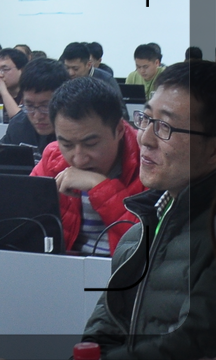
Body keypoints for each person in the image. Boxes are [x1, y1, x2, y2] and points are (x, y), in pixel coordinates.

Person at [82, 60, 216, 359]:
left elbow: (192, 343)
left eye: (165, 127)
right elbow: (106, 325)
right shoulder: (140, 230)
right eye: (146, 119)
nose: (145, 138)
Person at [31, 78, 146, 255]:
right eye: (67, 145)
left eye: (91, 144)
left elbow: (152, 243)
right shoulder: (54, 159)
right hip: (67, 266)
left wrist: (102, 189)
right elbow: (26, 225)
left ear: (119, 130)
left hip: (123, 268)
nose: (79, 159)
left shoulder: (149, 162)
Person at [0, 58, 69, 162]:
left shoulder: (77, 133)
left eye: (45, 106)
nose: (37, 116)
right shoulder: (19, 126)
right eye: (30, 105)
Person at [61, 42, 127, 119]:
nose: (70, 73)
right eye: (67, 68)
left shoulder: (106, 80)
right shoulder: (62, 78)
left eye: (75, 69)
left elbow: (122, 113)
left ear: (89, 65)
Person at [0, 48, 28, 122]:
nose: (0, 75)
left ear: (22, 70)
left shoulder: (29, 92)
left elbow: (19, 121)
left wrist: (4, 92)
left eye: (5, 69)